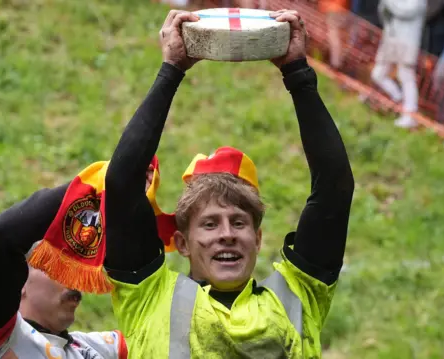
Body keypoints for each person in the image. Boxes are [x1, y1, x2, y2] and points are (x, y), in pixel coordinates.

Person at [101, 8, 354, 358]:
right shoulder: (148, 295)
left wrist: (297, 73)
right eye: (209, 223)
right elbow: (122, 184)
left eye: (239, 222)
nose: (227, 234)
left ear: (258, 238)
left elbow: (334, 191)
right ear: (182, 243)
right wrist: (171, 69)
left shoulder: (298, 296)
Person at [0, 170, 154, 357]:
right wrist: (95, 189)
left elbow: (165, 335)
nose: (74, 279)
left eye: (76, 267)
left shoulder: (98, 347)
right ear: (19, 282)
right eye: (58, 265)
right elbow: (0, 240)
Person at [370, 0, 428, 128]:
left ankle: (410, 115)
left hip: (408, 41)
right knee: (378, 74)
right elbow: (383, 12)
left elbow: (404, 11)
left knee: (406, 76)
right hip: (390, 38)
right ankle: (399, 98)